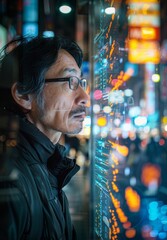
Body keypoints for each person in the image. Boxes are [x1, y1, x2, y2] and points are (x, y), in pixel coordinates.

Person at [0, 35, 89, 239]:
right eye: (70, 82)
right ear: (24, 95)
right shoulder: (10, 181)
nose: (85, 98)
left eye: (81, 82)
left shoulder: (47, 168)